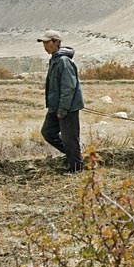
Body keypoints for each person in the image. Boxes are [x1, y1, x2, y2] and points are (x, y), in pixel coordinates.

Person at [38, 30, 85, 174]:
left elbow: (68, 87)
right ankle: (74, 157)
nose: (45, 46)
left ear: (57, 42)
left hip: (67, 108)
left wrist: (63, 109)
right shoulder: (55, 59)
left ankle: (76, 168)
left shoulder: (64, 61)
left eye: (48, 42)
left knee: (70, 138)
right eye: (44, 43)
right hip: (55, 107)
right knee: (48, 132)